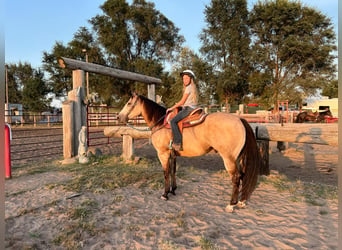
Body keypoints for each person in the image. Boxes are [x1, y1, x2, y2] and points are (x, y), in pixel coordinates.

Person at [166, 69, 198, 151]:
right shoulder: (192, 88)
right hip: (192, 107)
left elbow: (182, 101)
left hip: (188, 109)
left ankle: (177, 143)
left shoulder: (188, 88)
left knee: (173, 121)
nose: (185, 80)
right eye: (183, 79)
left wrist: (171, 108)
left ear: (191, 79)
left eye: (187, 78)